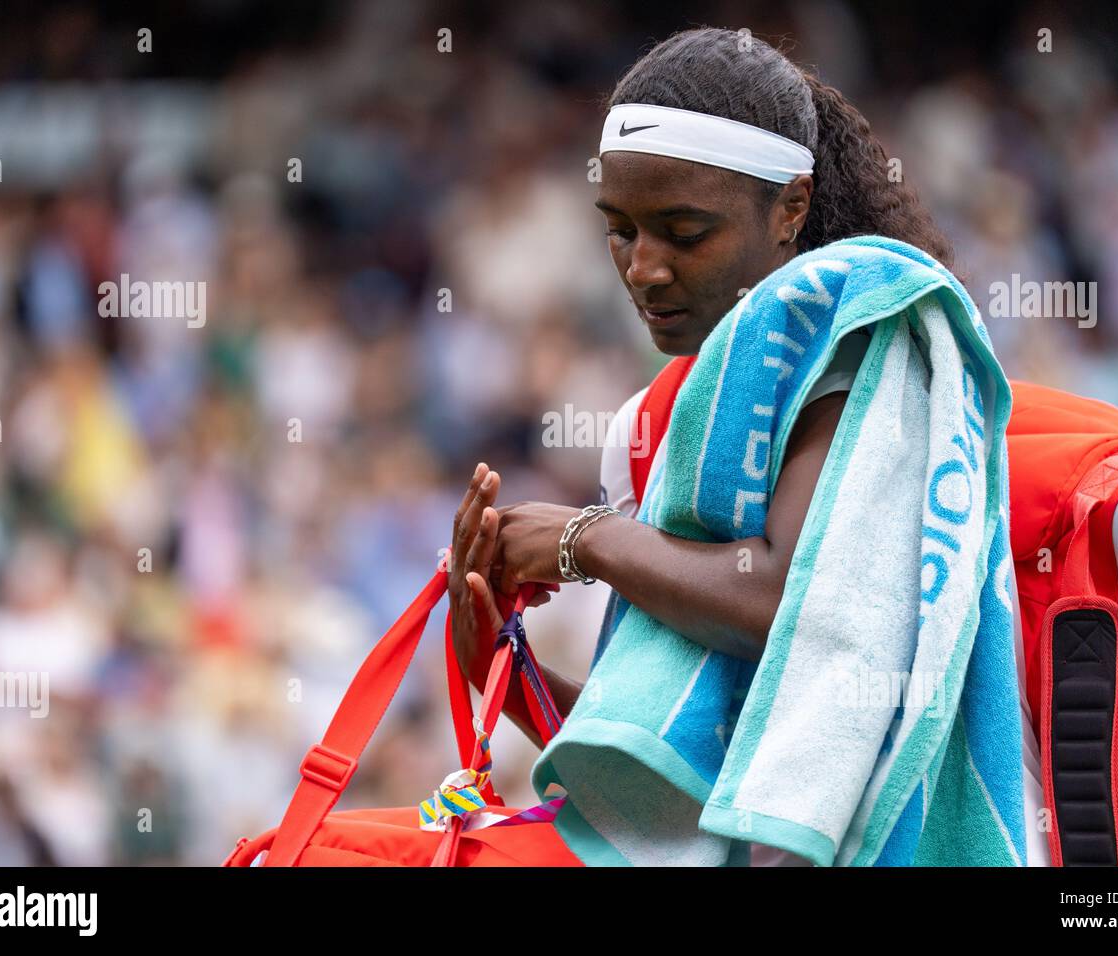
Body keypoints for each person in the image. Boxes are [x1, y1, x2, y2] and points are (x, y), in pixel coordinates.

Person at [446, 26, 1046, 866]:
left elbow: (790, 604)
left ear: (791, 208)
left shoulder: (868, 355)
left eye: (685, 233)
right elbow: (678, 765)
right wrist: (505, 672)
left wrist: (584, 542)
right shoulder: (653, 425)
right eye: (620, 229)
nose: (643, 268)